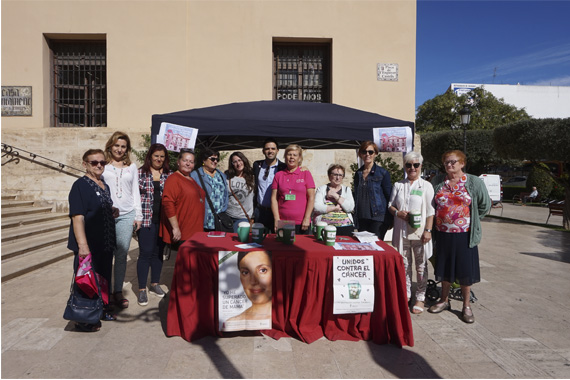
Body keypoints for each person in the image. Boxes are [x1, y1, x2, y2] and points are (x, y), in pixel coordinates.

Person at [427, 150, 491, 323]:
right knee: (445, 267)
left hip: (464, 235)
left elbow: (485, 204)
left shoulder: (474, 182)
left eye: (453, 162)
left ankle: (466, 306)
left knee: (465, 270)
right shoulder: (438, 182)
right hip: (442, 234)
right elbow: (430, 204)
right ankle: (444, 300)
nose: (449, 165)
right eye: (447, 162)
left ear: (462, 163)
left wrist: (473, 220)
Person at [67, 149, 118, 332]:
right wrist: (82, 245)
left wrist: (111, 210)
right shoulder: (80, 185)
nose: (99, 165)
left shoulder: (104, 184)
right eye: (94, 162)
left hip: (105, 242)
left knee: (103, 279)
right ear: (85, 164)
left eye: (102, 163)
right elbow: (78, 217)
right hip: (89, 244)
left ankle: (101, 310)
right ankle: (83, 319)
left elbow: (97, 208)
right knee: (85, 282)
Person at [387, 152, 435, 314]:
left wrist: (428, 230)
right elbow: (390, 205)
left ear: (421, 166)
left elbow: (430, 211)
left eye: (415, 165)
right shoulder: (399, 185)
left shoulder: (426, 186)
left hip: (420, 232)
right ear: (405, 167)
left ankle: (420, 297)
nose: (412, 168)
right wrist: (397, 213)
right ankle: (406, 294)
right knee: (404, 265)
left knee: (421, 266)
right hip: (402, 232)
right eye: (409, 165)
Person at [102, 131, 143, 309]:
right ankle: (104, 291)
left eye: (123, 146)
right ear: (110, 145)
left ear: (127, 149)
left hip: (127, 214)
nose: (119, 149)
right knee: (105, 254)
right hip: (106, 215)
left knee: (121, 253)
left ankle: (117, 291)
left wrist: (138, 215)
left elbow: (135, 191)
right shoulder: (102, 165)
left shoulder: (131, 167)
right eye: (117, 145)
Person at [136, 144, 171, 306]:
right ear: (150, 156)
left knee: (158, 253)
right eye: (156, 156)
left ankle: (155, 284)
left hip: (163, 221)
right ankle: (142, 289)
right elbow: (134, 198)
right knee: (145, 253)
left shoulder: (169, 175)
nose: (159, 159)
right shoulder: (140, 174)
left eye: (162, 156)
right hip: (146, 220)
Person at [160, 149, 206, 245]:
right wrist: (175, 228)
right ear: (178, 162)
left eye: (191, 162)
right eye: (185, 161)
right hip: (184, 230)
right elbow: (168, 204)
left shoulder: (191, 179)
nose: (188, 164)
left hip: (196, 230)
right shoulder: (173, 179)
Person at [271, 144, 316, 234]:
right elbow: (273, 198)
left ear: (299, 158)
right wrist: (276, 219)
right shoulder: (279, 175)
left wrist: (307, 218)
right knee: (283, 247)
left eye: (295, 155)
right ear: (285, 157)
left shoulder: (305, 174)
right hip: (283, 222)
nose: (291, 157)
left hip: (301, 222)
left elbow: (311, 197)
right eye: (289, 154)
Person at [353, 141, 392, 240]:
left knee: (376, 247)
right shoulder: (358, 173)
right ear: (360, 154)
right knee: (364, 247)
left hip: (378, 217)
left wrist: (391, 219)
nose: (367, 154)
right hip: (362, 217)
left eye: (370, 152)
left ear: (375, 154)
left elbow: (389, 196)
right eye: (364, 151)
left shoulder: (382, 173)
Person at [225, 250, 272, 327]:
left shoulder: (282, 320)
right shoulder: (233, 322)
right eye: (245, 272)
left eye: (263, 270)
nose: (253, 281)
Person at [191, 148, 229, 231]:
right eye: (212, 159)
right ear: (204, 160)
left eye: (217, 159)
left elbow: (225, 195)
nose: (215, 161)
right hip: (205, 220)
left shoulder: (221, 175)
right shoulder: (195, 176)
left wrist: (224, 210)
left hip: (220, 220)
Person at [253, 138, 287, 231]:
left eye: (273, 148)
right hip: (259, 211)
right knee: (258, 238)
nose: (270, 151)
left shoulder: (283, 167)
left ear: (277, 150)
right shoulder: (257, 165)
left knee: (276, 239)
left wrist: (304, 168)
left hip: (276, 212)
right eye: (267, 149)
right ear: (263, 151)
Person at [313, 164, 355, 236]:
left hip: (345, 227)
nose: (338, 178)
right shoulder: (321, 189)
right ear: (329, 176)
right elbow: (316, 207)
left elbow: (350, 208)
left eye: (340, 175)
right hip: (325, 227)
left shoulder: (346, 190)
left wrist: (335, 196)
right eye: (335, 174)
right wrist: (334, 208)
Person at [225, 151, 255, 232]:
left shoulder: (252, 177)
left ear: (244, 160)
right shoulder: (227, 177)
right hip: (228, 216)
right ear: (232, 164)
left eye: (239, 160)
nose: (238, 163)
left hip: (243, 217)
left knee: (239, 241)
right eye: (235, 162)